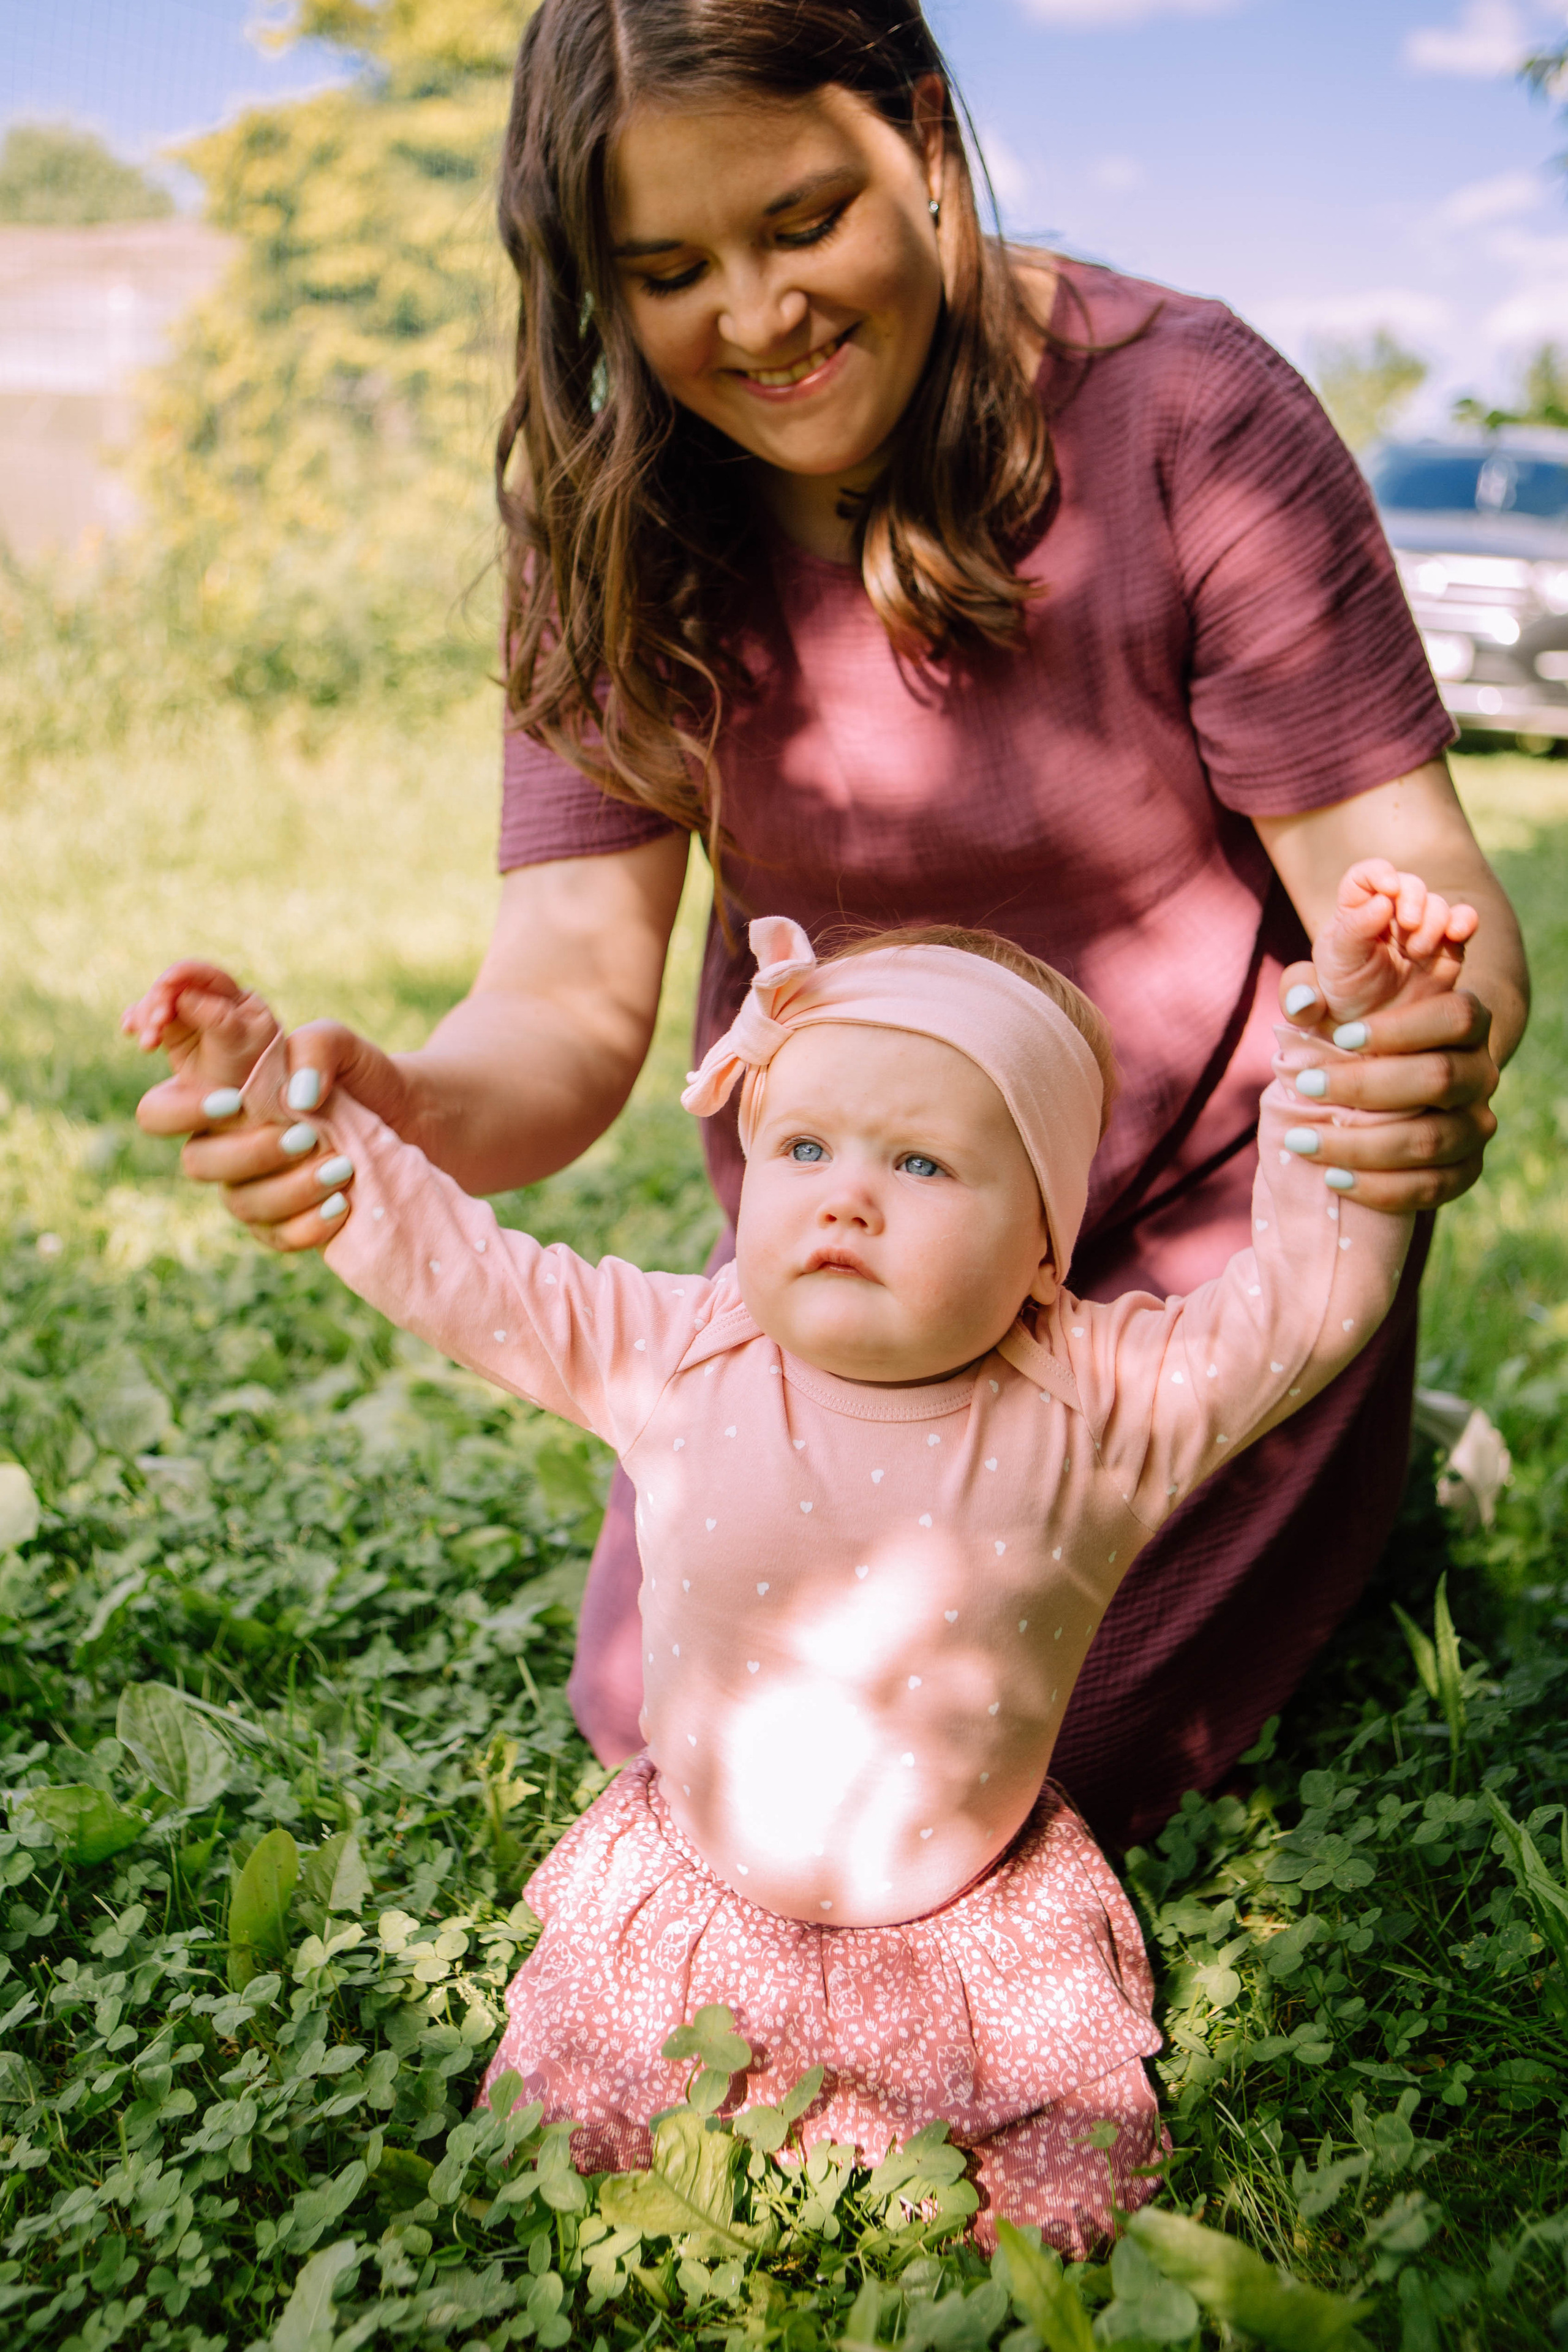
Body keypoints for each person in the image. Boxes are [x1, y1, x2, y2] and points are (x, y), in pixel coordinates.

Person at [126, 0, 1529, 1850]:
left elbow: (1426, 904)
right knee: (674, 1721)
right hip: (862, 1247)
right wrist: (393, 1098)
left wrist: (1421, 1047)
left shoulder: (1190, 412)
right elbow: (559, 1005)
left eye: (802, 224)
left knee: (1035, 1742)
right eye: (667, 269)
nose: (757, 314)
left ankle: (1355, 1475)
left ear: (923, 141)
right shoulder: (609, 520)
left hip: (1195, 1244)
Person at [123, 859, 1474, 2251]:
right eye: (805, 1149)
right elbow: (459, 1267)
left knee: (1055, 2219)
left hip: (966, 1916)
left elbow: (1308, 1305)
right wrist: (286, 1101)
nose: (846, 1199)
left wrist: (1351, 1059)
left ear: (1038, 1250)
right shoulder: (677, 1350)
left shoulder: (1104, 1402)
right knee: (561, 2165)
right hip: (698, 1895)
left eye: (922, 1163)